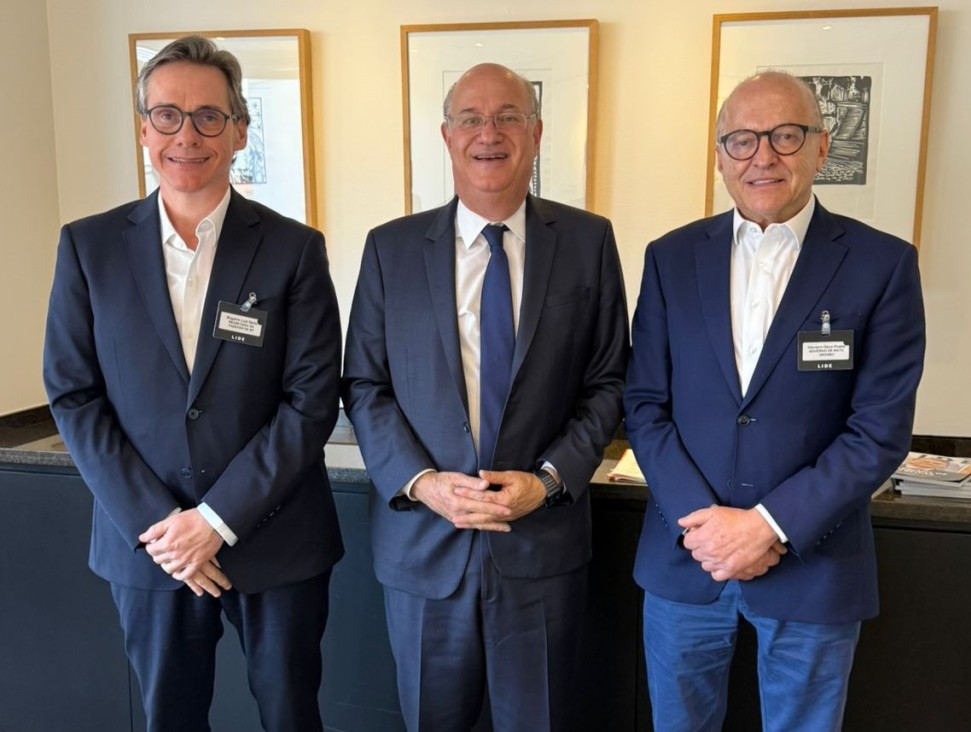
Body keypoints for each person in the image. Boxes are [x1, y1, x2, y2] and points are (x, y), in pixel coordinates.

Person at [43, 36, 342, 732]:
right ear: (144, 128)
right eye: (168, 115)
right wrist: (166, 530)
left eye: (209, 116)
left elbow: (310, 400)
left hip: (276, 536)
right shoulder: (89, 247)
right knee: (168, 718)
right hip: (149, 545)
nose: (187, 135)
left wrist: (215, 520)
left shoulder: (294, 249)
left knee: (292, 716)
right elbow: (74, 394)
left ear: (239, 131)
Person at [625, 71, 926, 732]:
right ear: (720, 157)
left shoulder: (881, 264)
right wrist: (705, 528)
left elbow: (878, 430)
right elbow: (644, 405)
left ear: (821, 148)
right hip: (687, 558)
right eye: (742, 140)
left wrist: (768, 525)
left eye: (785, 136)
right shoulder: (670, 258)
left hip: (813, 564)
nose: (762, 156)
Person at [341, 63, 629, 731]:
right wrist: (423, 482)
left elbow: (608, 380)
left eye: (507, 118)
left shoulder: (587, 242)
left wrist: (547, 481)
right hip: (424, 545)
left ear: (536, 133)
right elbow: (364, 383)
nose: (488, 134)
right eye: (471, 119)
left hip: (542, 548)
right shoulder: (390, 249)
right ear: (447, 136)